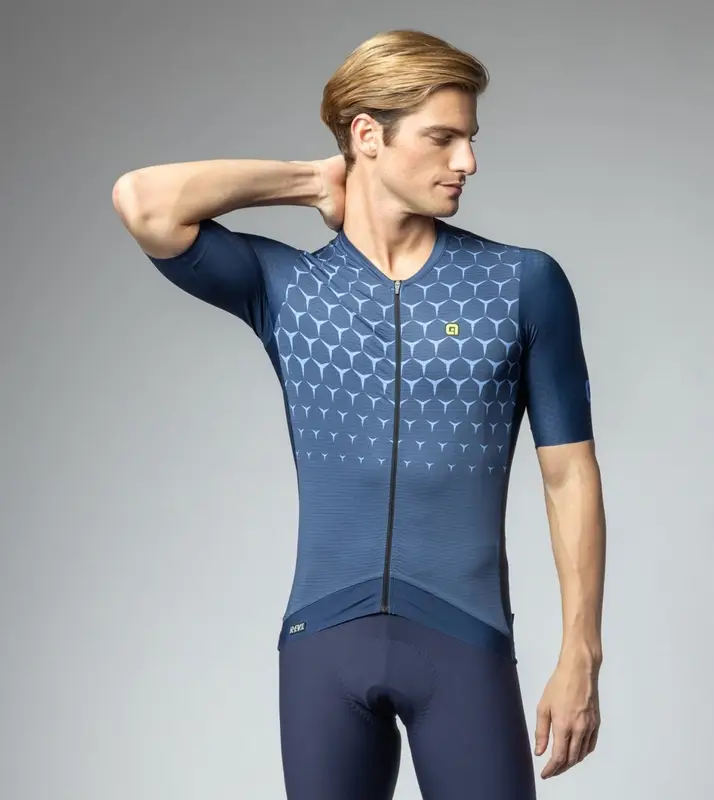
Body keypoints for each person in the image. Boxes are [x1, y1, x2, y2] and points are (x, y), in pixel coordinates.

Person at [112, 29, 606, 800]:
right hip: (322, 643)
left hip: (462, 639)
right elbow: (142, 203)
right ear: (368, 136)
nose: (467, 161)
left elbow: (569, 476)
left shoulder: (519, 284)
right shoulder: (289, 289)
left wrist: (582, 652)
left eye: (471, 139)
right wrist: (314, 179)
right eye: (442, 138)